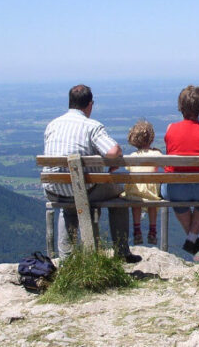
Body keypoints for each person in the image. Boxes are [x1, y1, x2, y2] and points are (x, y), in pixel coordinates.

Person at [43, 84, 141, 263]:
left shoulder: (52, 125)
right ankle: (122, 251)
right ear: (89, 104)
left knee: (69, 207)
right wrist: (113, 160)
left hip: (53, 189)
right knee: (119, 196)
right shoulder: (92, 126)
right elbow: (112, 151)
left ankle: (66, 260)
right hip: (84, 189)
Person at [161, 85, 199, 255]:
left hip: (176, 189)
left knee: (176, 197)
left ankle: (191, 237)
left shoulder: (170, 129)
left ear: (180, 106)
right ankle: (192, 237)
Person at [122, 119, 162, 245]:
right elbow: (164, 164)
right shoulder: (156, 153)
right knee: (152, 203)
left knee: (136, 202)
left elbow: (128, 169)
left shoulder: (132, 156)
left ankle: (137, 229)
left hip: (134, 192)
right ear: (151, 138)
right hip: (151, 193)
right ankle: (153, 230)